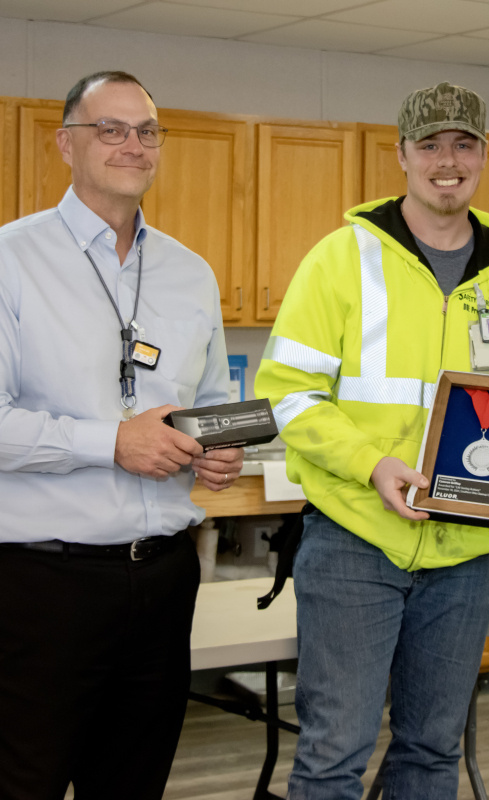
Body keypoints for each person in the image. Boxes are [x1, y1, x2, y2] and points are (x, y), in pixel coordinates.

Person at [255, 81, 489, 799]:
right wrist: (371, 466)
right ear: (401, 155)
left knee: (431, 751)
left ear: (484, 155)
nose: (447, 160)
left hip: (467, 549)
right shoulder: (339, 260)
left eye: (463, 144)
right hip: (355, 542)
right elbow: (286, 395)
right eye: (430, 145)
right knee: (334, 753)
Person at [0, 71, 243, 800]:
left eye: (146, 131)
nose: (132, 145)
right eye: (110, 129)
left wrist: (220, 447)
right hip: (44, 582)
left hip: (165, 578)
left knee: (133, 784)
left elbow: (212, 399)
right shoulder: (11, 260)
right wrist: (111, 442)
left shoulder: (190, 272)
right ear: (65, 144)